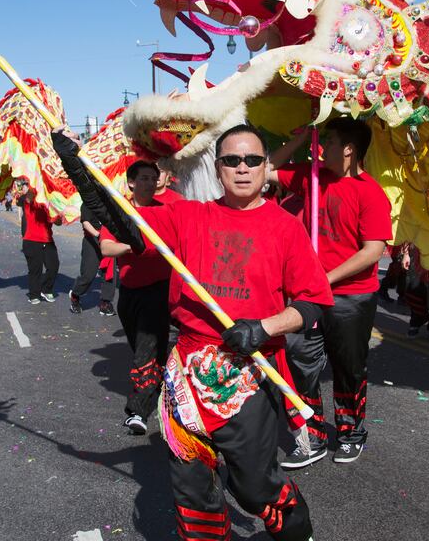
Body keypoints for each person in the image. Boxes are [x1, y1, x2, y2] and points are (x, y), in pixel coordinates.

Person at [59, 123, 330, 541]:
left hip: (250, 376)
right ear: (219, 168)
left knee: (254, 486)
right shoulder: (188, 215)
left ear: (264, 167)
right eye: (232, 160)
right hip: (187, 373)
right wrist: (78, 167)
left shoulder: (285, 227)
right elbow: (127, 223)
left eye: (253, 160)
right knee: (193, 489)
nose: (243, 168)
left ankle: (297, 531)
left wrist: (263, 328)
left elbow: (313, 303)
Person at [269, 117, 392, 468]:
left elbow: (372, 251)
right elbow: (266, 171)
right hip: (310, 294)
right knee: (298, 361)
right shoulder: (312, 177)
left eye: (332, 141)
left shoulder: (371, 192)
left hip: (352, 297)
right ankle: (313, 436)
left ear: (350, 149)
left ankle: (351, 432)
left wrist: (327, 278)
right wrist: (299, 138)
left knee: (348, 366)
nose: (323, 147)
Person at [99, 160, 173, 433]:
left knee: (145, 351)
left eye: (153, 178)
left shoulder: (168, 209)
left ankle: (136, 412)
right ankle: (168, 385)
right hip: (129, 292)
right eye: (143, 178)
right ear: (131, 182)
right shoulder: (121, 212)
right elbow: (106, 247)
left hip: (159, 291)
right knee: (148, 351)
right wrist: (134, 247)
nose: (149, 183)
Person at [16, 182, 59, 304]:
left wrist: (58, 212)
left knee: (54, 266)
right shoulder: (29, 201)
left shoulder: (49, 204)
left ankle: (46, 289)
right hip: (32, 240)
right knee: (36, 269)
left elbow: (58, 222)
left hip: (48, 240)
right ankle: (34, 294)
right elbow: (30, 193)